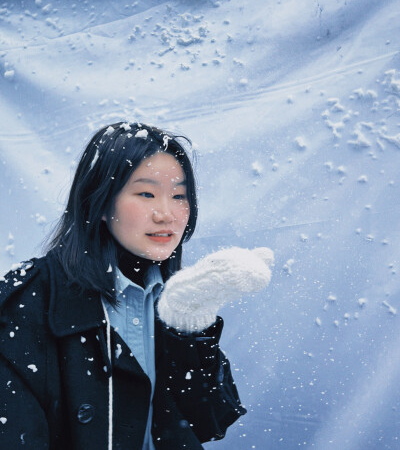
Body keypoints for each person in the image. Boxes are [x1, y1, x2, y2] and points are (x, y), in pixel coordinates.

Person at [0, 121, 273, 450]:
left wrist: (189, 320)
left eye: (178, 196)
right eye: (146, 193)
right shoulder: (27, 297)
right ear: (99, 201)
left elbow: (207, 423)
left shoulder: (176, 294)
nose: (166, 214)